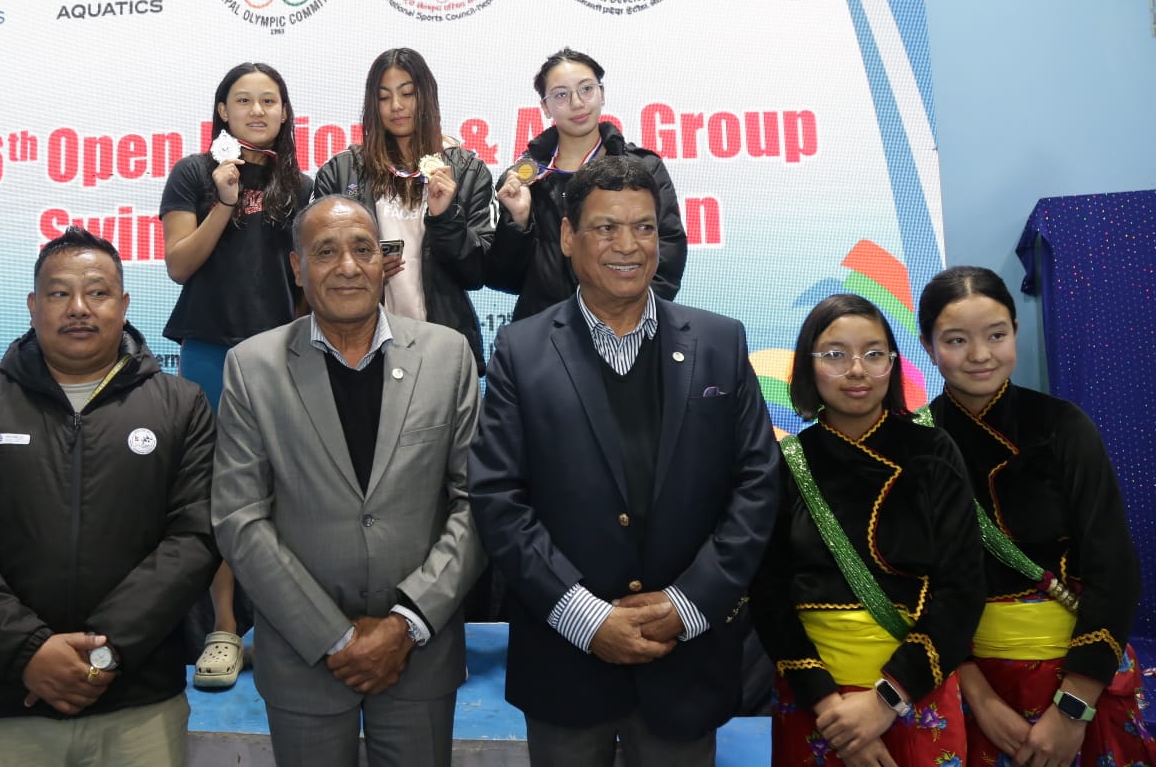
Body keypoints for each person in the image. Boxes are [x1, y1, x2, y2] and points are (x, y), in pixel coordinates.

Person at [469, 157, 778, 765]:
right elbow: (498, 498)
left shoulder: (721, 341)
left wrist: (687, 604)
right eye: (606, 228)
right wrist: (586, 618)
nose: (628, 246)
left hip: (686, 660)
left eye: (644, 228)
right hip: (564, 660)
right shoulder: (521, 350)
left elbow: (757, 485)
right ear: (567, 237)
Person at [0, 226, 219, 766]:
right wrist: (28, 650)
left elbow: (195, 537)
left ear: (124, 305)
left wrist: (107, 649)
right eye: (59, 293)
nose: (78, 308)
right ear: (33, 307)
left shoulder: (182, 405)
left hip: (139, 701)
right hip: (8, 700)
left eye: (97, 292)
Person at [212, 195, 485, 767]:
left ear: (385, 262)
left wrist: (406, 625)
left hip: (419, 655)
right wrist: (333, 637)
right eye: (325, 252)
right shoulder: (252, 366)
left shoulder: (448, 356)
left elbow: (476, 504)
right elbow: (239, 517)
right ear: (297, 267)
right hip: (304, 657)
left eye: (363, 249)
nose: (347, 266)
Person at [918, 266, 1156, 767]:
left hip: (1076, 673)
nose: (980, 355)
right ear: (928, 346)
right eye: (956, 340)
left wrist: (1073, 707)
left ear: (1015, 332)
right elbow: (915, 585)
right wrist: (979, 697)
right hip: (964, 680)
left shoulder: (1064, 427)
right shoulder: (915, 445)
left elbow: (1114, 567)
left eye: (996, 335)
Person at [752, 293, 984, 767]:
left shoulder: (932, 451)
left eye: (874, 353)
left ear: (893, 365)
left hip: (915, 691)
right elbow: (768, 594)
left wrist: (885, 700)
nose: (856, 370)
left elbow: (962, 589)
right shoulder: (787, 462)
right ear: (808, 366)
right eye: (835, 355)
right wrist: (829, 708)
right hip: (818, 705)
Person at [160, 61, 313, 689]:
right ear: (223, 110)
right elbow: (178, 264)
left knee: (286, 488)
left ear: (284, 112)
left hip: (282, 354)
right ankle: (223, 627)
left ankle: (279, 626)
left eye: (268, 100)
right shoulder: (195, 173)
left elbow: (304, 284)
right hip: (211, 353)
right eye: (243, 100)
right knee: (221, 491)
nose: (256, 110)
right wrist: (223, 204)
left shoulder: (300, 187)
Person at [313, 47, 494, 368]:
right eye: (384, 97)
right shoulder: (341, 172)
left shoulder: (466, 170)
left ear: (427, 96)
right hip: (361, 348)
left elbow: (477, 273)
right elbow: (315, 263)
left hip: (442, 348)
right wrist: (362, 270)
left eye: (407, 94)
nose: (396, 106)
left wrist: (445, 217)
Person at [484, 47, 686, 321]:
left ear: (602, 93)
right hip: (545, 330)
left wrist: (627, 318)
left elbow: (668, 253)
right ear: (545, 107)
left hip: (627, 328)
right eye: (561, 95)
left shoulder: (644, 167)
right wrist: (518, 223)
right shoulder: (523, 179)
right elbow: (503, 278)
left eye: (586, 89)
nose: (577, 103)